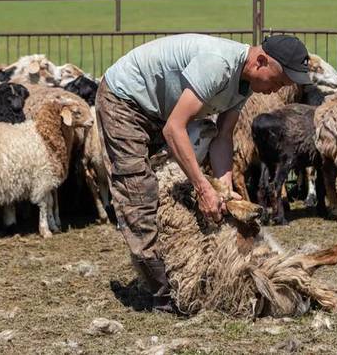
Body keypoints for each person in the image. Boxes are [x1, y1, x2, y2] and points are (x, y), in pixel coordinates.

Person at [95, 33, 311, 312]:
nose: (277, 91)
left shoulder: (244, 84)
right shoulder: (218, 66)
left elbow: (223, 136)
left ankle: (173, 272)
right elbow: (174, 129)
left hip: (160, 109)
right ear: (261, 62)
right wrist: (203, 187)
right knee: (138, 191)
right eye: (279, 82)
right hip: (125, 100)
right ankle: (164, 295)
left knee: (171, 192)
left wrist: (223, 187)